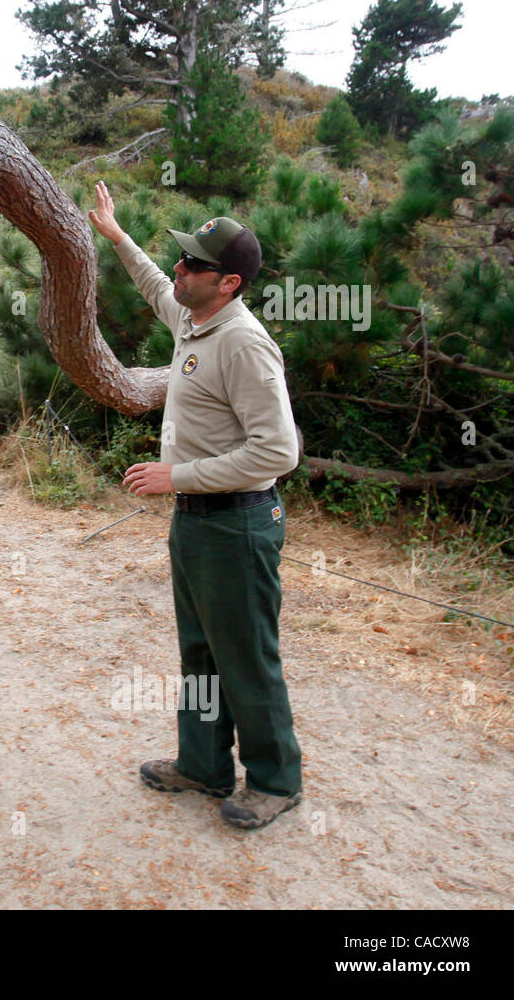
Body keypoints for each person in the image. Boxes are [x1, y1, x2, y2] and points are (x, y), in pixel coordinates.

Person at [87, 181, 304, 829]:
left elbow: (278, 453)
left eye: (194, 265)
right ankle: (204, 765)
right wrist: (118, 236)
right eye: (181, 259)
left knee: (246, 656)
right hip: (197, 525)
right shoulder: (192, 313)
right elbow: (156, 286)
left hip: (238, 524)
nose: (179, 270)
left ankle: (274, 781)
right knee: (201, 652)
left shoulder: (243, 343)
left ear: (229, 283)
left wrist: (178, 475)